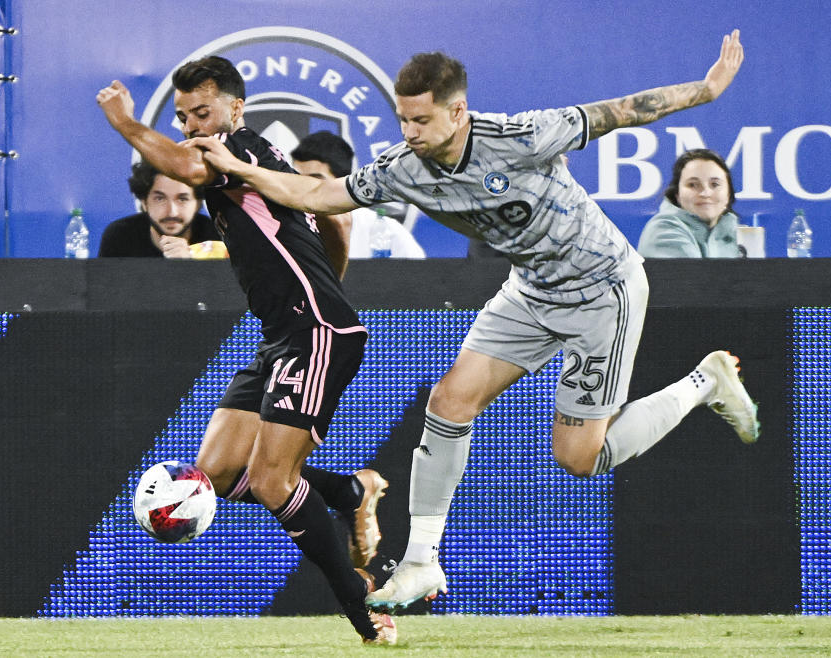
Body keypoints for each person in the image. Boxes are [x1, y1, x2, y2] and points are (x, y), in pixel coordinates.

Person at [186, 30, 759, 614]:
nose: (408, 133)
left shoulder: (520, 136)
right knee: (449, 402)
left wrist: (706, 91)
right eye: (402, 119)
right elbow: (322, 194)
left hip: (602, 290)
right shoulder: (402, 167)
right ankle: (419, 563)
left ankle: (704, 382)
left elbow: (618, 113)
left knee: (580, 457)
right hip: (531, 289)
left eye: (420, 121)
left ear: (457, 111)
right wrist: (241, 169)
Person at [96, 56, 396, 645]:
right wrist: (321, 284)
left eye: (201, 113)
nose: (191, 127)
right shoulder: (266, 163)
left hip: (314, 332)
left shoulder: (240, 151)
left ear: (236, 108)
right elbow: (334, 222)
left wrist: (127, 125)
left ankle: (365, 612)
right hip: (287, 333)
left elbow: (186, 165)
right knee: (216, 474)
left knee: (272, 483)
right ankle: (351, 492)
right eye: (182, 117)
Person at [290, 131, 426, 259]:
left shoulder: (384, 230)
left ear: (342, 182)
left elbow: (418, 277)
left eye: (316, 179)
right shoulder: (282, 226)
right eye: (298, 178)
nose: (305, 188)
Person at [98, 159, 227, 258]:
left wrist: (192, 259)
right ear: (144, 203)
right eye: (160, 199)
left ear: (198, 203)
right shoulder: (119, 236)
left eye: (182, 199)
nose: (172, 211)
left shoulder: (218, 237)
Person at [638, 148, 740, 258]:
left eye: (715, 184)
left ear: (728, 194)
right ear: (677, 194)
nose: (705, 193)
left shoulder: (735, 234)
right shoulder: (662, 230)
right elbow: (694, 275)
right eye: (693, 185)